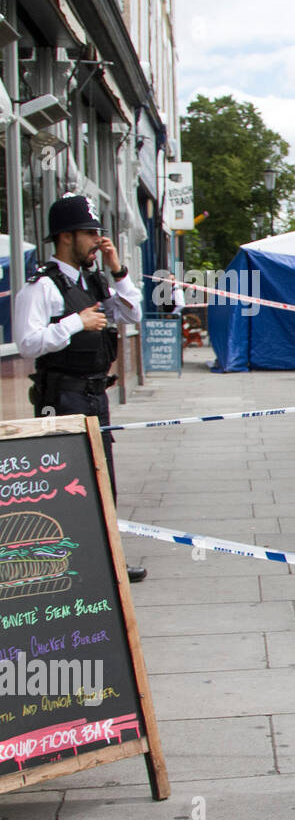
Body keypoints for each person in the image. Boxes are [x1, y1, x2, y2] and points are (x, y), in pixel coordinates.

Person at [14, 194, 145, 582]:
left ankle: (107, 563)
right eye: (90, 233)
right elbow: (26, 343)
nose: (97, 241)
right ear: (66, 236)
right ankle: (65, 566)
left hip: (94, 393)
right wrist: (75, 323)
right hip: (62, 394)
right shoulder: (41, 287)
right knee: (65, 481)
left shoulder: (94, 280)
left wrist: (118, 269)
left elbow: (133, 312)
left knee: (102, 473)